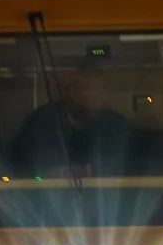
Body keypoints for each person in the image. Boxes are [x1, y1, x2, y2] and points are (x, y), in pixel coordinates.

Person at [7, 63, 137, 177]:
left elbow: (134, 168)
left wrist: (95, 172)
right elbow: (16, 163)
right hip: (45, 200)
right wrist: (49, 174)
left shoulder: (117, 125)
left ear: (103, 92)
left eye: (94, 88)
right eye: (82, 87)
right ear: (70, 91)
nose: (88, 94)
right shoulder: (42, 120)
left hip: (109, 200)